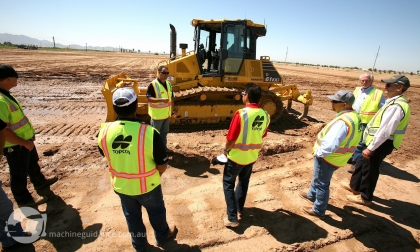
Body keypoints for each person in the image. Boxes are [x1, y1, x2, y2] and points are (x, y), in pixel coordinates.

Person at [97, 87, 176, 251]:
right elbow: (162, 165)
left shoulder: (103, 132)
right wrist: (155, 175)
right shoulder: (149, 133)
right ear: (135, 108)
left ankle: (139, 245)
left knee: (132, 218)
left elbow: (108, 156)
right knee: (157, 213)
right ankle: (162, 236)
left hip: (122, 187)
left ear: (115, 108)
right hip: (149, 187)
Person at [343, 75, 411, 207]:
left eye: (388, 85)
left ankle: (365, 197)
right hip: (374, 141)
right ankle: (354, 187)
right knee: (361, 164)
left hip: (381, 143)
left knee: (370, 170)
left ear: (399, 88)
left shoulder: (396, 106)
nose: (385, 87)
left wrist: (371, 148)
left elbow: (385, 131)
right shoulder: (392, 101)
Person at [0, 64, 57, 207]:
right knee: (19, 174)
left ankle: (40, 183)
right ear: (7, 79)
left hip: (24, 140)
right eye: (15, 77)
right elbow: (3, 130)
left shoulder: (6, 94)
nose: (17, 80)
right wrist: (24, 142)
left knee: (32, 164)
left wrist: (29, 137)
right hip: (15, 145)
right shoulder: (0, 101)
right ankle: (24, 200)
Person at [300, 90, 362, 218]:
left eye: (334, 101)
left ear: (344, 104)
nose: (331, 103)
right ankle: (312, 195)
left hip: (328, 157)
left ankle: (318, 209)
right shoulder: (354, 116)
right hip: (339, 157)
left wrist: (319, 153)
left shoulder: (343, 122)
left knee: (322, 183)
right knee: (317, 176)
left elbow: (331, 144)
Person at [222, 83, 270, 227]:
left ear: (247, 96)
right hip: (251, 157)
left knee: (228, 184)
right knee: (243, 182)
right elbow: (263, 134)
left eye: (243, 94)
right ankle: (239, 209)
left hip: (236, 157)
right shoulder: (266, 115)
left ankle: (232, 218)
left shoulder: (241, 114)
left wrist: (225, 151)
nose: (242, 96)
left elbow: (231, 139)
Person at [348, 73, 385, 173]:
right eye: (362, 80)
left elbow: (383, 109)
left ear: (371, 81)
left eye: (366, 80)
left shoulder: (377, 93)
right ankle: (351, 157)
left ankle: (356, 164)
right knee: (352, 139)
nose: (364, 82)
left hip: (366, 122)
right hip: (354, 119)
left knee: (361, 143)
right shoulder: (357, 90)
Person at [146, 65, 176, 153]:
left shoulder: (168, 84)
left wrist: (173, 110)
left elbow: (171, 98)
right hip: (157, 116)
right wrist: (161, 100)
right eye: (164, 73)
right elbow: (148, 98)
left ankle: (163, 149)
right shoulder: (153, 84)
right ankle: (154, 152)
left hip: (166, 115)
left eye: (167, 73)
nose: (166, 75)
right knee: (155, 135)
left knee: (164, 134)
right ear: (159, 73)